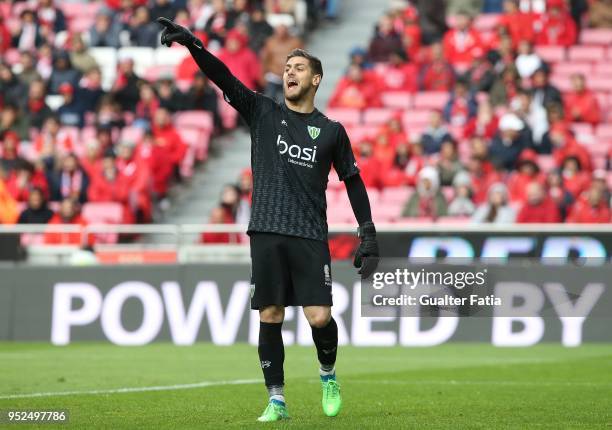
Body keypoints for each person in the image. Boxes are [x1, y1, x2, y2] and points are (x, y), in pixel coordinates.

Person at [158, 17, 379, 421]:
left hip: (310, 233)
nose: (289, 72)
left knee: (320, 316)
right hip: (265, 230)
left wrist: (368, 232)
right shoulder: (262, 111)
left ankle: (328, 375)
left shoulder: (331, 131)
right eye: (287, 67)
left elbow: (353, 180)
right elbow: (224, 78)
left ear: (316, 79)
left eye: (298, 68)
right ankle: (276, 399)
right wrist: (195, 47)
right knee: (270, 315)